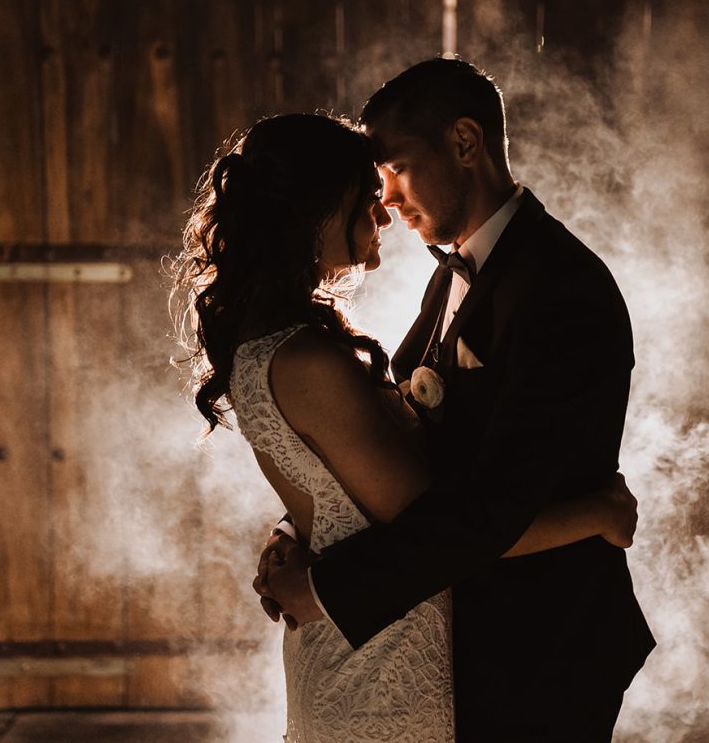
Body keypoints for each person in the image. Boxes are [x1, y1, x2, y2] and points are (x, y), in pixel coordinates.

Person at [177, 111, 640, 743]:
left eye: (392, 176)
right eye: (369, 198)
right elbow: (441, 522)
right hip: (379, 663)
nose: (387, 211)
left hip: (429, 645)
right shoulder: (310, 359)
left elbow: (332, 479)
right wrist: (600, 513)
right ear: (315, 211)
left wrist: (299, 528)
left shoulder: (271, 342)